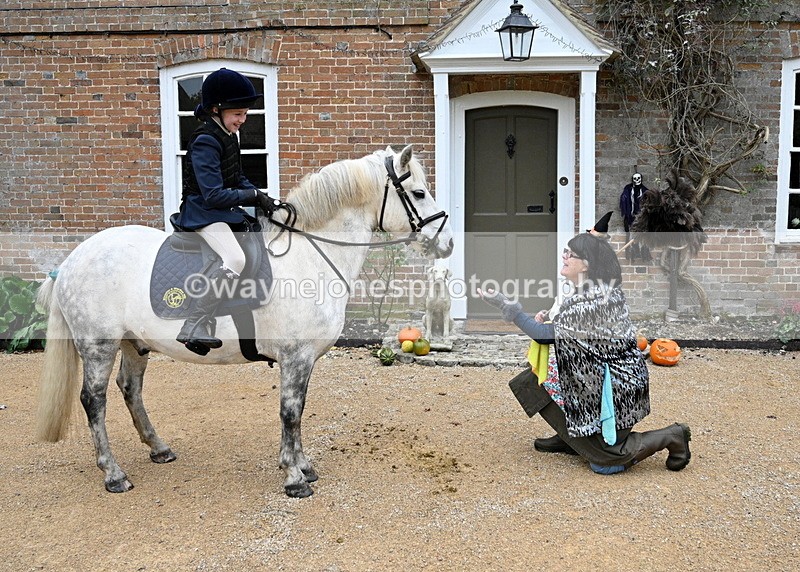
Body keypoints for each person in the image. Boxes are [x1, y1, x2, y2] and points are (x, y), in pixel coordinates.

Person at [477, 230, 691, 475]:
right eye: (565, 251)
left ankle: (672, 436)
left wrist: (509, 307)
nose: (564, 257)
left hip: (617, 390)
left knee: (605, 464)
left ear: (586, 265)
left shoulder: (595, 299)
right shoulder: (588, 292)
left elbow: (544, 335)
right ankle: (573, 437)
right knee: (533, 382)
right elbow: (568, 333)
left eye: (571, 254)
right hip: (592, 380)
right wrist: (550, 322)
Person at [174, 68, 280, 354]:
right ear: (216, 109)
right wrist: (252, 195)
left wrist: (264, 198)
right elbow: (214, 194)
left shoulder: (229, 134)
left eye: (245, 114)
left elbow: (237, 178)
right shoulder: (205, 140)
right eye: (238, 114)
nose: (243, 121)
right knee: (234, 257)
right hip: (202, 210)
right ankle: (194, 324)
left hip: (220, 209)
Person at [620, 172, 651, 263]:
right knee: (630, 236)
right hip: (630, 218)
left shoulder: (645, 191)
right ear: (632, 180)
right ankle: (632, 254)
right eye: (635, 179)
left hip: (642, 219)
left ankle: (644, 255)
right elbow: (624, 201)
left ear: (641, 179)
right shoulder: (628, 189)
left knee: (643, 236)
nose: (637, 181)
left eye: (639, 178)